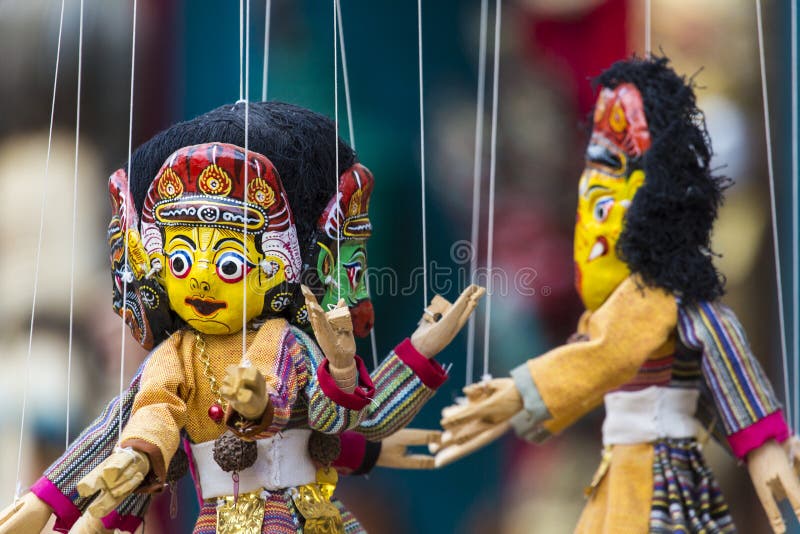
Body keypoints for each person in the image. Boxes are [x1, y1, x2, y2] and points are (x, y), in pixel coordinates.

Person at [436, 56, 800, 533]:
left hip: (654, 475)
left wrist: (763, 445)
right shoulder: (624, 309)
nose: (590, 229)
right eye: (590, 202)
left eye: (606, 204)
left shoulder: (657, 303)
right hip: (622, 465)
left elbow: (606, 358)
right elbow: (590, 361)